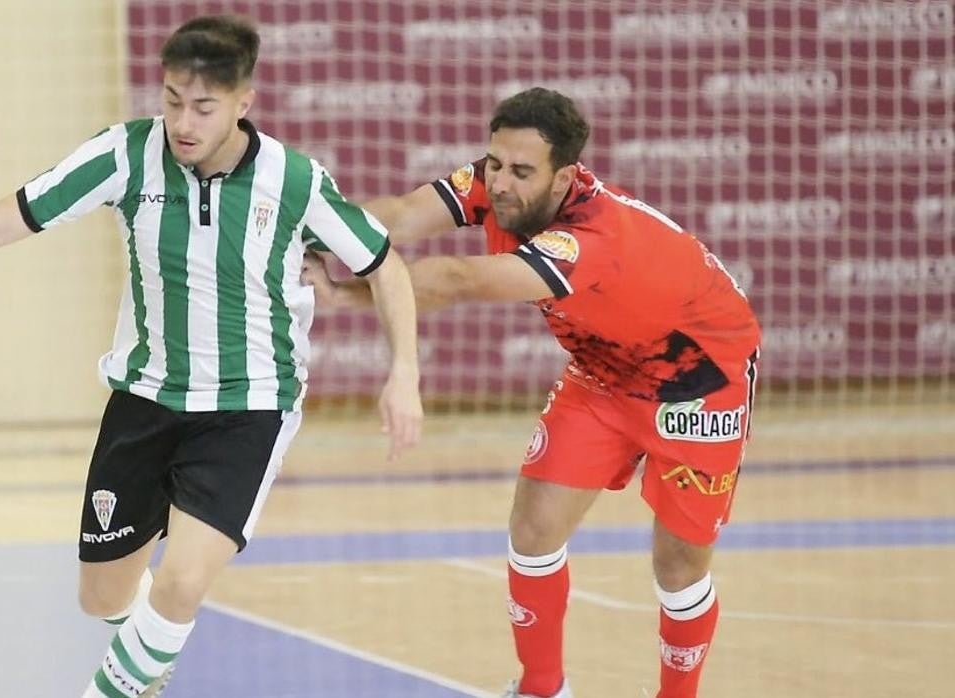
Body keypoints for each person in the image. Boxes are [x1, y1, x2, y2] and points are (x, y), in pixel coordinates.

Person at [0, 15, 423, 698]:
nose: (183, 123)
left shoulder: (293, 180)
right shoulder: (127, 155)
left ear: (243, 102)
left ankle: (123, 678)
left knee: (181, 582)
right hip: (144, 399)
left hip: (248, 405)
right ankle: (147, 656)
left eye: (203, 107)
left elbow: (384, 265)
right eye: (172, 100)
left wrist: (404, 372)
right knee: (101, 597)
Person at [303, 87, 760, 698]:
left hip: (698, 380)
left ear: (563, 177)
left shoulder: (590, 237)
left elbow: (458, 279)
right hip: (602, 372)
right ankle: (542, 689)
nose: (499, 183)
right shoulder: (497, 183)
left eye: (520, 171)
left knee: (678, 566)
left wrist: (347, 295)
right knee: (534, 527)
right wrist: (303, 231)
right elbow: (403, 215)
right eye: (494, 163)